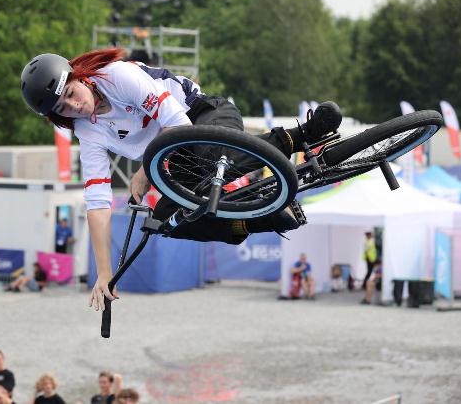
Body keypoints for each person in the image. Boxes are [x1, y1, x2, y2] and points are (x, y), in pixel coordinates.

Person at [20, 48, 342, 311]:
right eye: (65, 108)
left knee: (205, 158)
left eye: (72, 93)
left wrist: (146, 170)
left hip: (205, 115)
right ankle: (260, 220)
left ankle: (300, 135)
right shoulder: (87, 130)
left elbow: (178, 122)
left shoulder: (117, 76)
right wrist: (104, 273)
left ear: (79, 76)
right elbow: (98, 203)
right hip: (177, 157)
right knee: (164, 222)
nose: (76, 106)